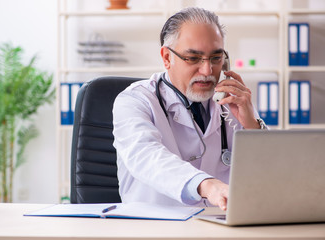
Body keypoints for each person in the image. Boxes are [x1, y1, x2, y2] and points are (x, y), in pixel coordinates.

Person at [112, 7, 267, 210]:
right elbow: (146, 156)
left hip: (220, 226)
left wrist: (253, 128)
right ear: (167, 58)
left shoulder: (233, 101)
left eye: (216, 58)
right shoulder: (134, 101)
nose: (207, 71)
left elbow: (268, 177)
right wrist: (207, 185)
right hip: (156, 227)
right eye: (193, 58)